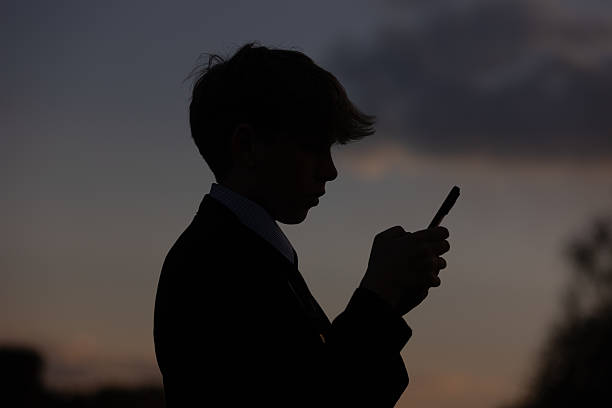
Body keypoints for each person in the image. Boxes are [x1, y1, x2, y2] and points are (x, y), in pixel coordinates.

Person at [153, 42, 451, 407]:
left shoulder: (237, 253)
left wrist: (386, 305)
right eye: (313, 147)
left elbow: (315, 378)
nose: (330, 170)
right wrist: (377, 300)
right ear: (246, 146)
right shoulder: (215, 265)